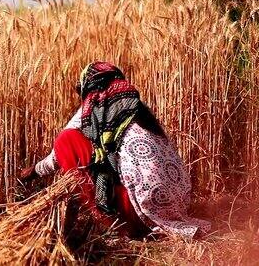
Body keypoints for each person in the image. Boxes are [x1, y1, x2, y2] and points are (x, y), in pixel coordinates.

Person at [19, 61, 210, 239]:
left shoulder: (97, 104)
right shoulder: (140, 110)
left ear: (91, 86)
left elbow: (57, 156)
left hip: (139, 215)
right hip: (177, 208)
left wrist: (34, 171)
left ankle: (110, 223)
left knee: (66, 140)